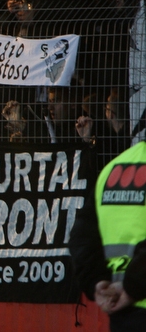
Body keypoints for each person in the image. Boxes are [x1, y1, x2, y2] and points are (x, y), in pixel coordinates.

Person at [69, 138, 146, 331]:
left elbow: (82, 237)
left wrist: (97, 282)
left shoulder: (112, 170)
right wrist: (132, 288)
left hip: (121, 313)